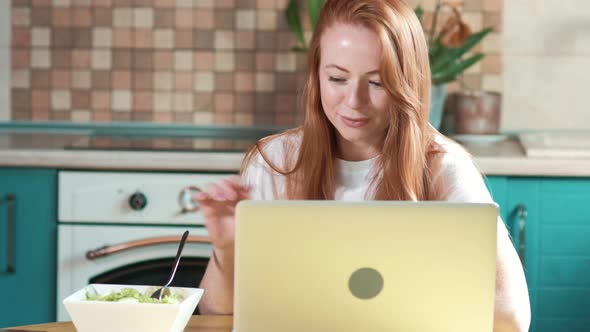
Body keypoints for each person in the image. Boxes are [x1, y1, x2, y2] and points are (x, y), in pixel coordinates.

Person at [195, 0, 531, 330]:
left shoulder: (443, 167)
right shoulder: (275, 162)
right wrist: (227, 247)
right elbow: (215, 315)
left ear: (407, 82)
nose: (354, 102)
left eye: (376, 82)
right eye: (337, 79)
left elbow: (512, 318)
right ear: (316, 74)